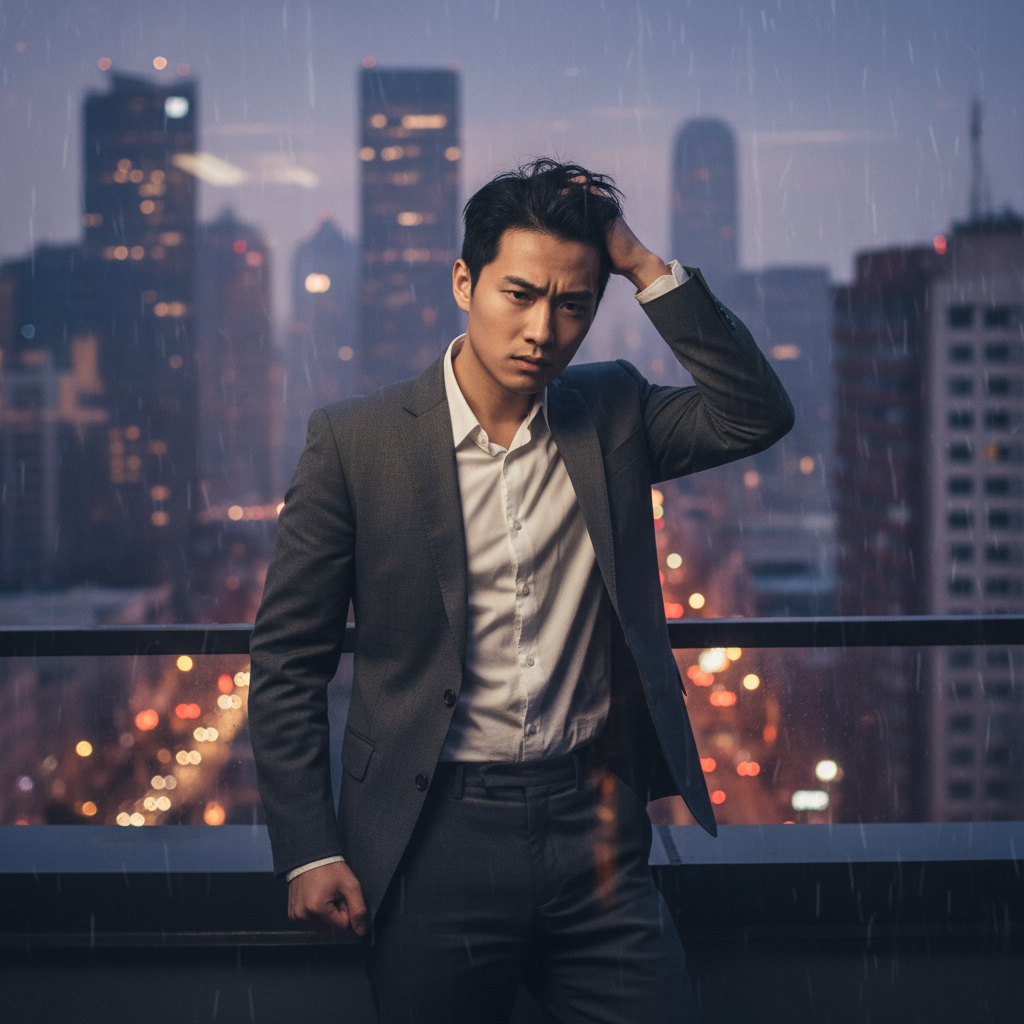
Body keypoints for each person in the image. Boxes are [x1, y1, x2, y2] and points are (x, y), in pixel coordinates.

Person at [248, 158, 793, 1023]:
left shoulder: (613, 411)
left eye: (573, 304)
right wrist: (308, 848)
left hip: (599, 830)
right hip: (433, 837)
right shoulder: (354, 445)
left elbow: (754, 413)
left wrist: (643, 264)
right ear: (464, 281)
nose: (544, 327)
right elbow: (285, 662)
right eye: (520, 293)